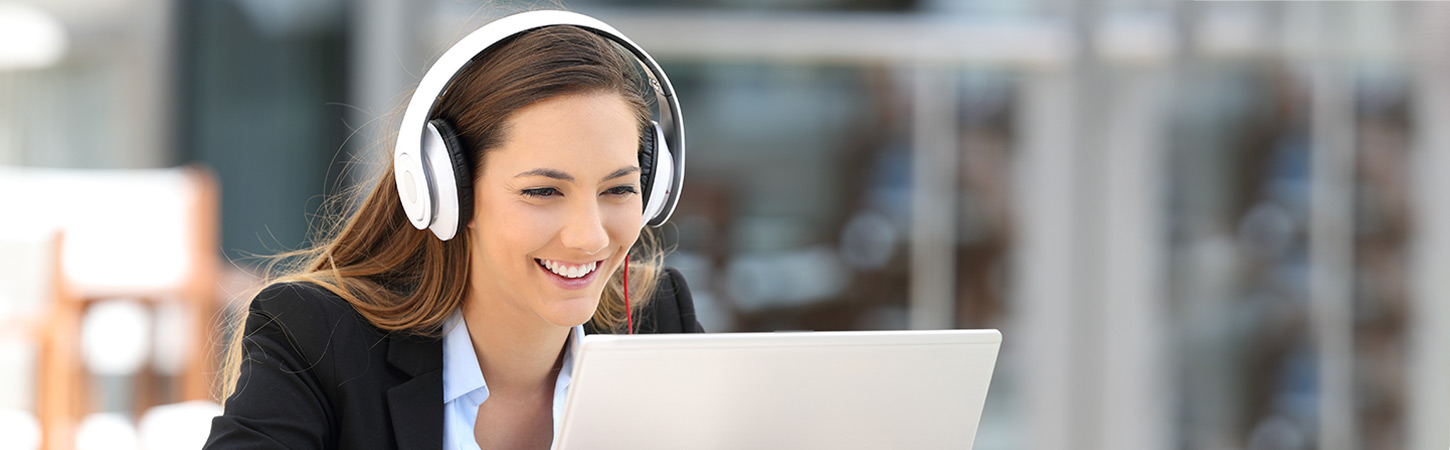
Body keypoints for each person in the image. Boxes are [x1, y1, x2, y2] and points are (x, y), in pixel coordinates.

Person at [204, 10, 702, 450]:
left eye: (618, 190)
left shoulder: (658, 319)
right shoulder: (319, 338)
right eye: (543, 192)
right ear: (449, 189)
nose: (590, 237)